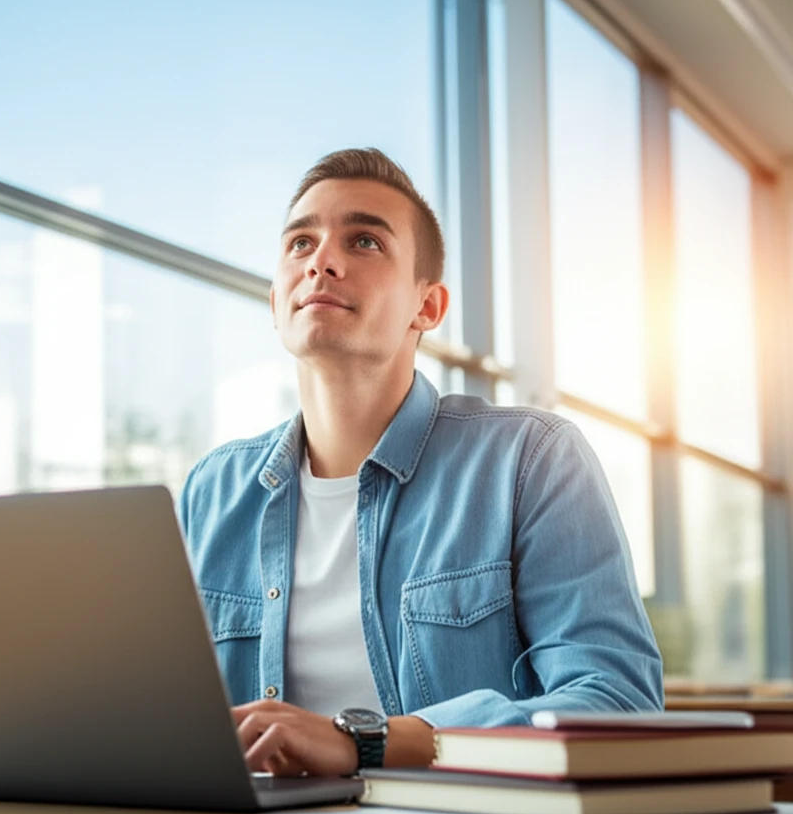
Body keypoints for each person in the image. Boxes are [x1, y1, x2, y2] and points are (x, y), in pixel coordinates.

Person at [178, 148, 663, 778]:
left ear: (427, 308)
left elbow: (616, 702)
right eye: (301, 242)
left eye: (364, 241)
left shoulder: (530, 461)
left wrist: (364, 741)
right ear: (276, 303)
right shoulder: (212, 489)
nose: (322, 260)